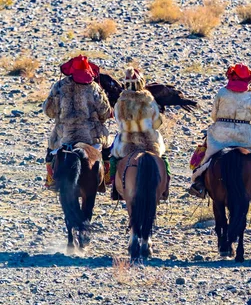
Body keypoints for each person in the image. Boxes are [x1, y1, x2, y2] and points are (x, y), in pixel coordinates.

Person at [189, 63, 251, 200]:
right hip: (245, 137)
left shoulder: (222, 92)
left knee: (206, 157)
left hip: (220, 136)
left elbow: (213, 116)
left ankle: (200, 183)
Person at [43, 55, 111, 190]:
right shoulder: (94, 88)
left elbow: (49, 111)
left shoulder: (59, 86)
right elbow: (105, 112)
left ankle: (51, 179)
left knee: (51, 151)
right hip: (91, 135)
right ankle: (107, 177)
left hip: (64, 135)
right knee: (108, 148)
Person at [109, 67, 170, 200]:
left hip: (127, 143)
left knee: (113, 159)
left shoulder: (121, 102)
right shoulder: (149, 100)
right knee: (164, 160)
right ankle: (165, 188)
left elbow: (119, 122)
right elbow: (156, 123)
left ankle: (115, 187)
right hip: (149, 143)